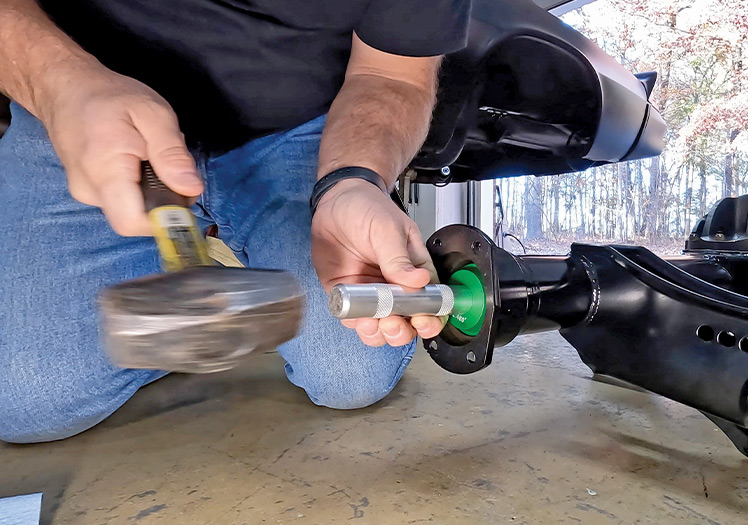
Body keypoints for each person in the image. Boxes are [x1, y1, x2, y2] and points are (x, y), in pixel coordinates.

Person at [0, 0, 471, 443]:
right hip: (78, 102)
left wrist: (350, 181)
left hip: (298, 125)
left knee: (347, 372)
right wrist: (55, 81)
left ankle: (210, 281)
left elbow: (393, 75)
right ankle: (195, 291)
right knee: (27, 401)